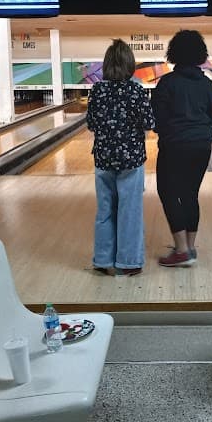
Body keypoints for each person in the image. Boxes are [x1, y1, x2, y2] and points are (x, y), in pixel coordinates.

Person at [86, 39, 155, 276]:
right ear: (130, 64)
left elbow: (91, 124)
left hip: (104, 158)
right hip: (131, 160)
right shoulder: (135, 90)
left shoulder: (97, 90)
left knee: (105, 210)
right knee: (130, 210)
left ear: (106, 65)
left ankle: (103, 260)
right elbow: (149, 123)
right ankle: (128, 262)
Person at [152, 30, 212, 267]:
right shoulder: (207, 84)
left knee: (169, 193)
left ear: (174, 53)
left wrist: (170, 133)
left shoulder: (167, 83)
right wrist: (198, 133)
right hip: (201, 145)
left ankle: (181, 251)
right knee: (190, 194)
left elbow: (157, 118)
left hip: (174, 145)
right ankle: (189, 247)